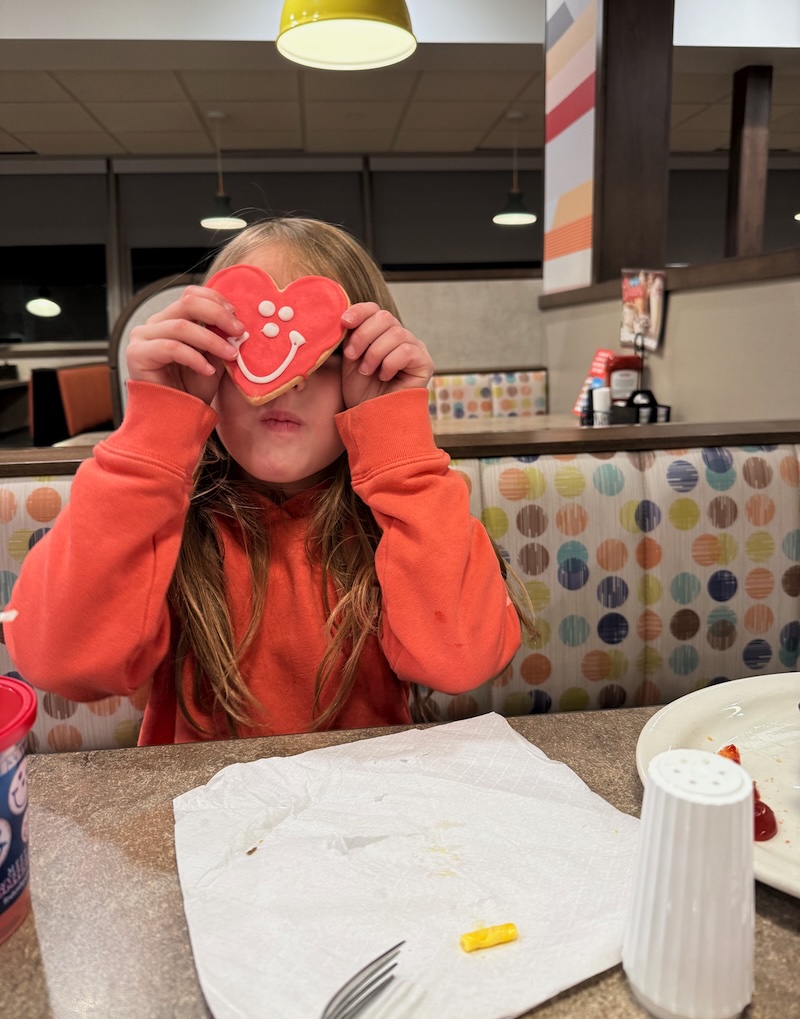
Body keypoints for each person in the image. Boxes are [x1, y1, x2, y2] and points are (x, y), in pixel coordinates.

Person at [7, 218, 528, 744]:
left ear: (370, 367)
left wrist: (398, 435)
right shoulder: (164, 520)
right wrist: (154, 430)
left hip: (366, 811)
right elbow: (60, 664)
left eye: (322, 356)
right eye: (251, 348)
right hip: (199, 812)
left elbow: (459, 662)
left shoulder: (398, 517)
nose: (289, 380)